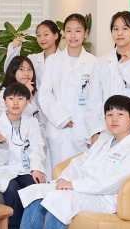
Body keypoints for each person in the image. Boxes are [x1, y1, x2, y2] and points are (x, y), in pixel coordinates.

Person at [8, 95, 130, 229]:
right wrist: (62, 180)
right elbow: (80, 162)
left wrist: (73, 185)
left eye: (120, 114)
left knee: (61, 198)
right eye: (109, 114)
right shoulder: (104, 140)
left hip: (107, 198)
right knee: (37, 191)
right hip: (85, 189)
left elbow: (112, 182)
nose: (114, 119)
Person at [0, 82, 47, 229]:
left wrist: (36, 169)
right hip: (2, 168)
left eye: (20, 99)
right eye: (11, 98)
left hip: (25, 168)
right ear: (4, 101)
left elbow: (36, 147)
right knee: (12, 187)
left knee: (34, 185)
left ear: (27, 102)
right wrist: (2, 144)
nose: (15, 102)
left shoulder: (32, 123)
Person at [86, 11, 130, 147]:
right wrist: (95, 132)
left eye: (125, 28)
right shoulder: (101, 63)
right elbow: (93, 102)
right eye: (115, 29)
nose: (120, 33)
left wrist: (128, 65)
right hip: (107, 132)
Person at [38, 13, 98, 168]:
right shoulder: (52, 61)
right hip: (58, 129)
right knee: (56, 173)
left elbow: (97, 100)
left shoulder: (94, 63)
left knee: (80, 173)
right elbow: (44, 95)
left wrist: (94, 132)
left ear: (85, 33)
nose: (73, 35)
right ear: (63, 33)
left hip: (83, 130)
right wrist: (61, 118)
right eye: (69, 31)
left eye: (78, 31)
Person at [3, 20, 62, 89]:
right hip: (33, 96)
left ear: (56, 35)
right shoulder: (33, 59)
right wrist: (14, 49)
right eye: (38, 35)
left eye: (45, 34)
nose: (42, 39)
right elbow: (10, 70)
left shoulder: (64, 59)